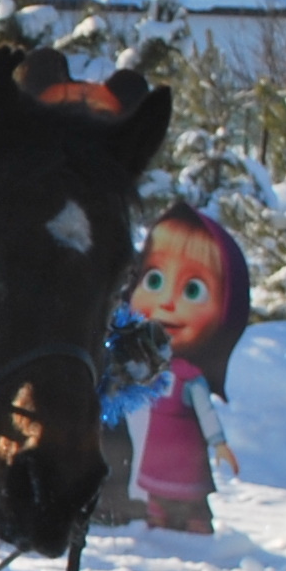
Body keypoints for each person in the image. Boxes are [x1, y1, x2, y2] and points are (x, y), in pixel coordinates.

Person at [105, 203, 250, 535]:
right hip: (143, 470)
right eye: (153, 279)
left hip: (185, 467)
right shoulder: (124, 363)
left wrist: (218, 443)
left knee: (189, 514)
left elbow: (205, 412)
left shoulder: (189, 376)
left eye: (193, 289)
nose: (168, 302)